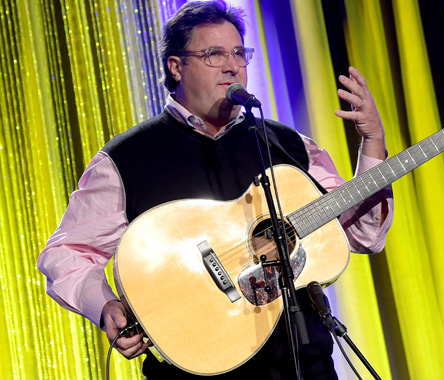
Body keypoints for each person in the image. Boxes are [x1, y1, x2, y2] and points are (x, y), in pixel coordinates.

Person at [37, 1, 393, 379]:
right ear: (176, 66)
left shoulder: (288, 145)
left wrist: (372, 142)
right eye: (213, 54)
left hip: (304, 365)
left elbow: (363, 235)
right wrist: (105, 305)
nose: (232, 65)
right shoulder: (126, 158)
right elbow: (66, 252)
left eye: (239, 53)